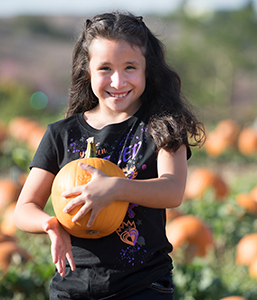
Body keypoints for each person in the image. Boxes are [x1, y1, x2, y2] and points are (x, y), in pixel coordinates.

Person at [14, 11, 205, 300]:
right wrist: (49, 224)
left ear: (147, 71)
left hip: (142, 286)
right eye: (105, 68)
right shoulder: (61, 134)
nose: (118, 81)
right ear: (87, 71)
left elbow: (172, 190)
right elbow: (24, 207)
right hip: (71, 286)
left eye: (130, 67)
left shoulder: (162, 127)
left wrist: (115, 188)